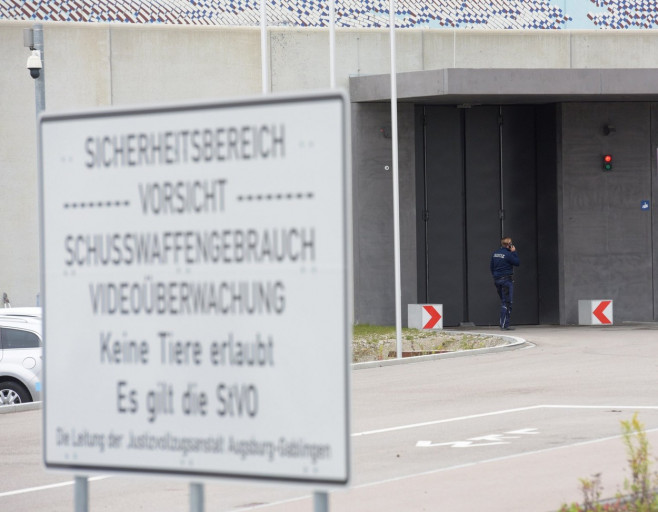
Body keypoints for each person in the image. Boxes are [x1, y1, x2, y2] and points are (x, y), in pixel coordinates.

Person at [490, 237, 520, 330]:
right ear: (509, 245)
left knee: (504, 301)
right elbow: (517, 262)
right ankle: (504, 325)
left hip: (497, 280)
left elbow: (491, 267)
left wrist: (496, 276)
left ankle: (503, 323)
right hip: (506, 280)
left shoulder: (495, 253)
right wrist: (514, 252)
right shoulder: (508, 254)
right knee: (507, 302)